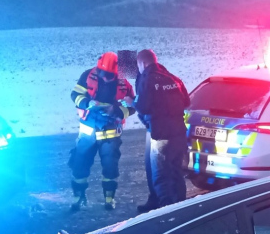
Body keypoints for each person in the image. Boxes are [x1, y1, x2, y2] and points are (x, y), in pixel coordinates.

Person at [69, 52, 135, 211]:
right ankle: (78, 197)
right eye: (102, 74)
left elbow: (132, 105)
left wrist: (116, 111)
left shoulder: (123, 83)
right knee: (79, 164)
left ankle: (109, 198)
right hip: (88, 131)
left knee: (110, 167)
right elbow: (75, 94)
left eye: (108, 75)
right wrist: (87, 102)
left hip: (110, 133)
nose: (105, 77)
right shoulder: (87, 76)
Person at [134, 49, 189, 213]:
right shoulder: (173, 78)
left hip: (160, 134)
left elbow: (143, 106)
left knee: (160, 175)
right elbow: (186, 101)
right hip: (179, 133)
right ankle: (181, 207)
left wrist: (132, 101)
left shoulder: (147, 80)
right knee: (176, 172)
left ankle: (165, 212)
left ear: (143, 63)